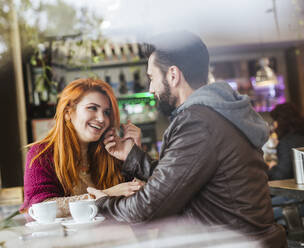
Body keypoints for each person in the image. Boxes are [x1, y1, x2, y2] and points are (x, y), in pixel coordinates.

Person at [87, 31, 287, 247]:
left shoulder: (197, 122)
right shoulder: (216, 112)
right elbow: (180, 180)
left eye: (152, 78)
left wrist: (102, 204)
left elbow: (149, 207)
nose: (151, 89)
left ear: (173, 75)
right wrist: (132, 156)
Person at [20, 78, 144, 217]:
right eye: (92, 108)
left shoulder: (110, 151)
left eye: (107, 112)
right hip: (66, 238)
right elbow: (39, 208)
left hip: (113, 235)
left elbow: (142, 200)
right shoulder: (42, 154)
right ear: (68, 112)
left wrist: (134, 154)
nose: (102, 119)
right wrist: (105, 195)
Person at [268, 102, 304, 222]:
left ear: (280, 121)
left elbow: (282, 174)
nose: (274, 126)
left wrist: (270, 169)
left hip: (298, 199)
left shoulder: (286, 142)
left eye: (274, 121)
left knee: (261, 211)